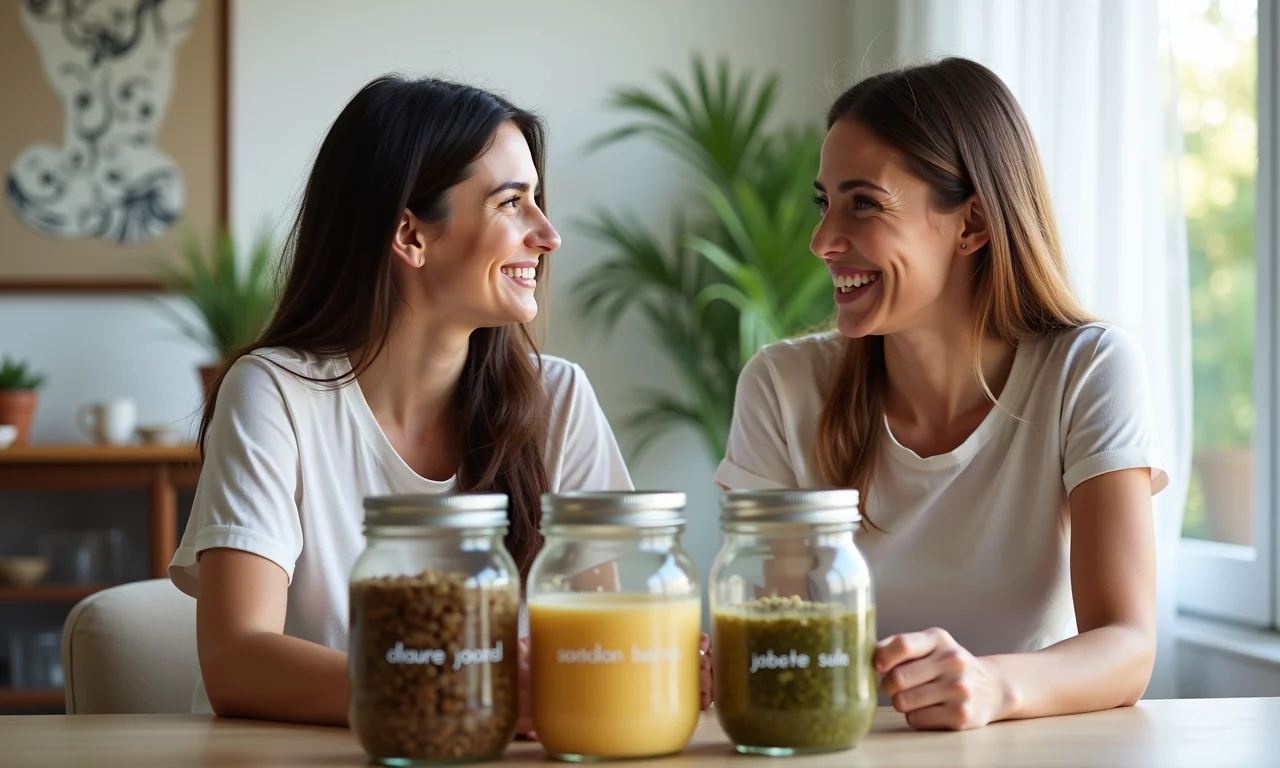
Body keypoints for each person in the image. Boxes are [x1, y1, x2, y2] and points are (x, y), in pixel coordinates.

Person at [169, 76, 713, 727]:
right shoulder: (275, 393)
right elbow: (237, 661)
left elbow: (593, 644)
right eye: (511, 203)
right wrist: (471, 689)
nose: (547, 235)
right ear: (410, 235)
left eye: (537, 201)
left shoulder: (560, 400)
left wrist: (651, 662)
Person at [715, 57, 1165, 730]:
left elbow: (1127, 646)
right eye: (824, 203)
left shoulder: (1089, 369)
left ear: (972, 224)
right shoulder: (781, 386)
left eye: (863, 203)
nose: (822, 241)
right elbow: (775, 646)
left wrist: (992, 686)